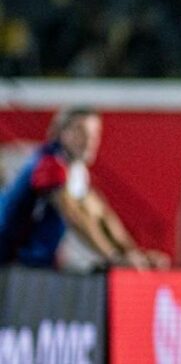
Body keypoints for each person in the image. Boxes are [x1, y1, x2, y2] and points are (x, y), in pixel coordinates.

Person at [0, 107, 169, 270]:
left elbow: (100, 213)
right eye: (80, 132)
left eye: (94, 134)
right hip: (12, 261)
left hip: (31, 261)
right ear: (61, 133)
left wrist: (133, 253)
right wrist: (113, 257)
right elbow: (75, 215)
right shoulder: (50, 164)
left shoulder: (75, 168)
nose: (89, 141)